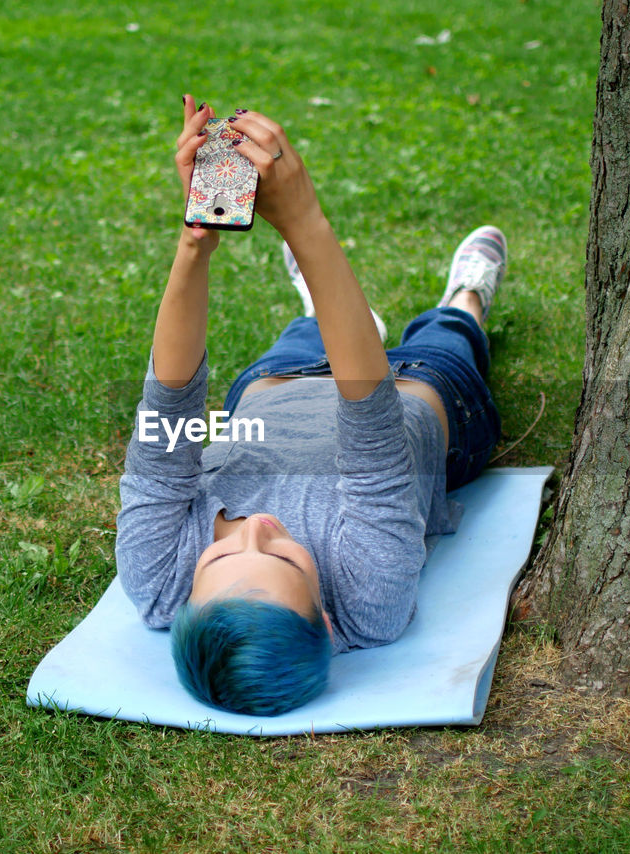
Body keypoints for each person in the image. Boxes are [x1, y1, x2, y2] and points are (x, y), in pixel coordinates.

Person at [115, 95, 505, 716]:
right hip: (414, 397)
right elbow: (370, 422)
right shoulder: (370, 603)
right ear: (325, 621)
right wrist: (304, 222)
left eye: (220, 554)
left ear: (187, 599)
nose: (258, 531)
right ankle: (464, 298)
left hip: (278, 386)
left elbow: (169, 410)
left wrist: (194, 246)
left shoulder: (156, 579)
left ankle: (328, 314)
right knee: (449, 340)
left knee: (302, 339)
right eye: (283, 558)